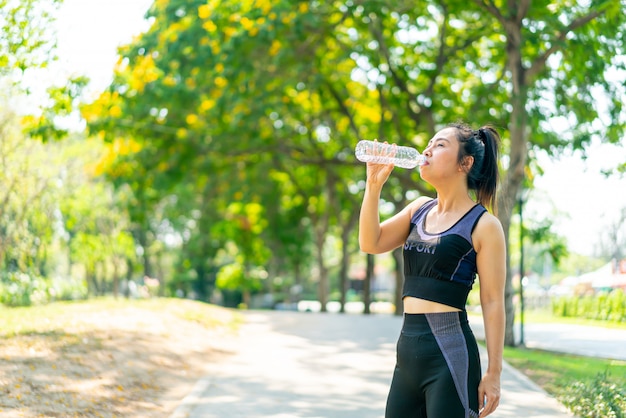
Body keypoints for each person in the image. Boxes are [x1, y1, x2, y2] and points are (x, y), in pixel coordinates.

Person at [358, 123, 506, 418]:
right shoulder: (418, 209)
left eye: (439, 145)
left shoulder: (485, 225)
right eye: (429, 143)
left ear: (466, 163)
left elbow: (492, 302)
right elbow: (370, 242)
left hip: (450, 356)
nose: (427, 150)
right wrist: (373, 185)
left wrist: (494, 373)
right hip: (407, 355)